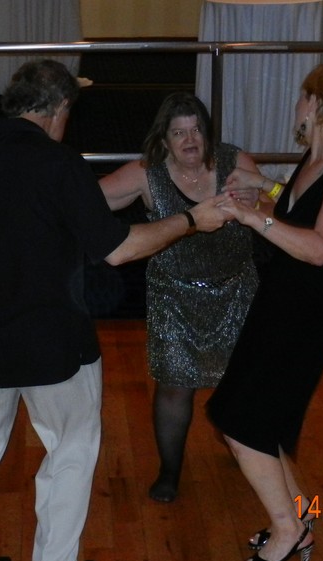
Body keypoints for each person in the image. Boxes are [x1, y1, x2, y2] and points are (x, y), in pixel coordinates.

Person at [0, 60, 234, 561]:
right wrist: (190, 219)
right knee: (70, 455)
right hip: (52, 345)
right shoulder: (60, 164)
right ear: (60, 107)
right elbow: (118, 249)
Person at [206, 62, 323, 561]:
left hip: (307, 315)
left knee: (241, 423)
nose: (297, 104)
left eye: (303, 95)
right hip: (281, 303)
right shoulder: (315, 161)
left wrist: (251, 215)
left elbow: (321, 247)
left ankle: (287, 533)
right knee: (257, 419)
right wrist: (261, 187)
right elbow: (298, 206)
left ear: (317, 103)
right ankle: (299, 522)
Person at [99, 92, 260, 503]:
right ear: (164, 140)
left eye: (196, 130)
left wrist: (258, 200)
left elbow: (274, 209)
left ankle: (241, 444)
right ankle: (169, 471)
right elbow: (89, 202)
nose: (190, 140)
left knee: (243, 382)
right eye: (178, 133)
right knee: (174, 386)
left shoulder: (235, 163)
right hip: (174, 295)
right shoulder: (147, 173)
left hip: (237, 291)